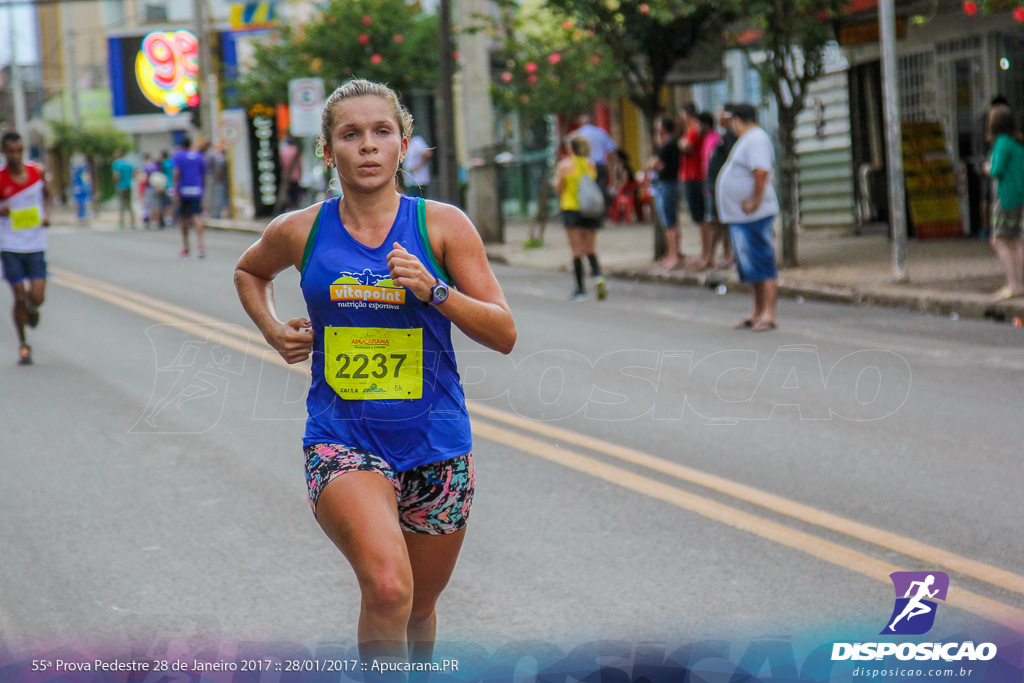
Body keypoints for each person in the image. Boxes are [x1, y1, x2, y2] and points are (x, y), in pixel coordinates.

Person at [233, 79, 516, 666]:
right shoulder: (301, 229)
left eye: (381, 132)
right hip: (342, 440)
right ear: (328, 151)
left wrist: (434, 290)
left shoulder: (442, 226)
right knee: (388, 587)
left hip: (435, 442)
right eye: (351, 134)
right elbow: (249, 271)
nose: (367, 146)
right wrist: (272, 328)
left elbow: (503, 332)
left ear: (403, 145)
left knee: (416, 607)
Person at [716, 103, 780, 332]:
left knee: (762, 261)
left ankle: (769, 314)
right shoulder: (748, 139)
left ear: (737, 120)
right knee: (750, 266)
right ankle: (757, 311)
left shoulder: (756, 139)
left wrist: (754, 201)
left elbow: (760, 173)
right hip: (742, 217)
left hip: (754, 215)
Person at [0, 131, 52, 365]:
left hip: (35, 242)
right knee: (19, 296)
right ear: (4, 152)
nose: (15, 155)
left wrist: (47, 215)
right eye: (10, 151)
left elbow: (48, 196)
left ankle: (32, 308)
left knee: (37, 297)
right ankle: (23, 344)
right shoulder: (1, 179)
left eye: (18, 151)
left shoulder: (36, 173)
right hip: (10, 243)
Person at [555, 134, 607, 301]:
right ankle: (599, 278)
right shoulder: (590, 164)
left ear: (571, 148)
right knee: (590, 248)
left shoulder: (564, 166)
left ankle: (580, 289)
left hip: (571, 209)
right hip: (590, 211)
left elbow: (558, 188)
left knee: (577, 251)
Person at [985, 104, 1024, 301]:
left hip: (1006, 198)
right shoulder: (1017, 143)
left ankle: (1013, 284)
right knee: (1014, 241)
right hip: (1019, 196)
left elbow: (996, 170)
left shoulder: (1001, 143)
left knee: (999, 240)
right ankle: (1019, 283)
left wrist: (987, 167)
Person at [647, 116, 683, 270]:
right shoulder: (663, 145)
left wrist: (654, 165)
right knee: (667, 221)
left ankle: (674, 254)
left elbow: (654, 164)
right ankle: (671, 253)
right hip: (664, 184)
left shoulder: (670, 145)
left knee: (670, 221)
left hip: (668, 184)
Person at [704, 105, 737, 268]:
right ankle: (722, 255)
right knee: (717, 221)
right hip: (715, 185)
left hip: (723, 187)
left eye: (722, 113)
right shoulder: (725, 136)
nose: (718, 117)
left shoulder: (733, 137)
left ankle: (726, 255)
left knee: (721, 223)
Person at [568, 113, 617, 206]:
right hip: (600, 166)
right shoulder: (601, 132)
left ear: (581, 123)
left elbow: (568, 145)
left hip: (584, 166)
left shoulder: (578, 134)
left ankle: (587, 209)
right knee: (601, 188)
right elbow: (612, 149)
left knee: (585, 188)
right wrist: (612, 166)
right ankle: (601, 211)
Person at [172, 137, 206, 258]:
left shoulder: (178, 156)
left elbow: (176, 173)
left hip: (183, 190)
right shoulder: (198, 156)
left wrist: (175, 190)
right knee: (197, 216)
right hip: (197, 190)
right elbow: (204, 174)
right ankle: (201, 247)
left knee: (184, 218)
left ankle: (186, 247)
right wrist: (203, 188)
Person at [111, 148, 136, 230]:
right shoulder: (129, 163)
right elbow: (133, 174)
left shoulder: (117, 163)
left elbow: (116, 175)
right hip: (129, 185)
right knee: (129, 204)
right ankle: (133, 223)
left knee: (121, 205)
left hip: (121, 186)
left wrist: (114, 183)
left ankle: (122, 223)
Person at [279, 135, 303, 211]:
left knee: (288, 193)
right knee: (295, 193)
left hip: (286, 176)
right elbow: (300, 164)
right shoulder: (296, 150)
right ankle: (295, 207)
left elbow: (282, 164)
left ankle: (289, 207)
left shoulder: (283, 151)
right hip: (296, 176)